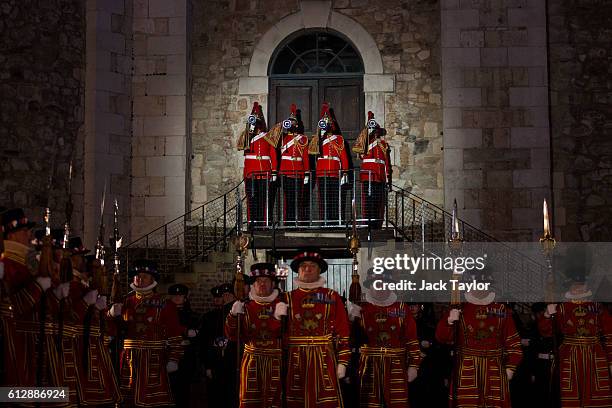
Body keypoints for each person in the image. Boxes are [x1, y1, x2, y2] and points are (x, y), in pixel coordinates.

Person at [275, 248, 350, 407]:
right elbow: (275, 334)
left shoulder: (331, 296)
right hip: (295, 361)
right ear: (298, 271)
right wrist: (276, 317)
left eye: (312, 266)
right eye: (303, 266)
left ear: (319, 270)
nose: (307, 269)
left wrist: (342, 362)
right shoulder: (286, 298)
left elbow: (343, 331)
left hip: (324, 359)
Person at [435, 270, 523, 408]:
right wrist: (449, 321)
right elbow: (442, 338)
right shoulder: (460, 308)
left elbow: (514, 344)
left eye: (484, 284)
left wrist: (510, 368)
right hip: (466, 370)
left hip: (494, 370)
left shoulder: (501, 310)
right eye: (477, 284)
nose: (480, 288)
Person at [539, 247, 612, 407]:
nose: (578, 288)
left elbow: (609, 333)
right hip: (569, 356)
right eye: (575, 284)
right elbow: (546, 332)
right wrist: (547, 315)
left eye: (581, 284)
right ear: (569, 285)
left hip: (595, 356)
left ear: (586, 285)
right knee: (571, 396)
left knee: (596, 396)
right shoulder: (563, 307)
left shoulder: (597, 306)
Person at [108, 259, 184, 407]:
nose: (139, 279)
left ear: (153, 279)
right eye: (137, 275)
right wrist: (110, 314)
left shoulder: (164, 304)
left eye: (144, 276)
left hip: (154, 359)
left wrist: (174, 359)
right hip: (129, 359)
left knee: (152, 401)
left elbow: (175, 334)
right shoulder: (125, 302)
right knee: (128, 399)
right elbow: (110, 329)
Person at [347, 268, 421, 407]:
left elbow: (411, 338)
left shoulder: (401, 308)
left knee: (396, 403)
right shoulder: (361, 308)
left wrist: (414, 365)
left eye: (384, 284)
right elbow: (348, 339)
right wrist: (350, 321)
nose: (380, 288)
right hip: (368, 365)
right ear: (370, 287)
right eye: (376, 284)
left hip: (396, 365)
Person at [0, 208, 52, 387]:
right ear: (12, 235)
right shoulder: (8, 264)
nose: (29, 236)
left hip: (31, 342)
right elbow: (13, 305)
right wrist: (38, 286)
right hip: (15, 340)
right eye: (24, 231)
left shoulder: (23, 264)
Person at [225, 263, 283, 408]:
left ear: (273, 284)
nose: (262, 284)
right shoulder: (245, 306)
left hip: (276, 360)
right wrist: (232, 315)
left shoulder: (282, 304)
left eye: (266, 281)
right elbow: (232, 335)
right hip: (252, 360)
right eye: (258, 281)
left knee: (275, 400)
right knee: (250, 400)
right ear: (253, 285)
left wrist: (281, 320)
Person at [237, 101, 278, 228]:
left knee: (263, 199)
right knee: (252, 199)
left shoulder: (268, 137)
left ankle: (263, 222)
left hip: (265, 172)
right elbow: (241, 145)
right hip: (251, 173)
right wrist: (250, 129)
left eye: (258, 120)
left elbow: (273, 154)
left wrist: (274, 171)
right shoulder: (247, 137)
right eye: (254, 120)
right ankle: (252, 222)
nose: (257, 123)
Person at [309, 103, 350, 224]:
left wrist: (345, 172)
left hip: (335, 172)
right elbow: (313, 152)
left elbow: (343, 157)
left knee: (335, 199)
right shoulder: (317, 139)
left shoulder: (339, 139)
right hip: (322, 172)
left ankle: (335, 221)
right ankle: (324, 222)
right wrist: (321, 136)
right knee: (324, 199)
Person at [353, 111, 391, 228]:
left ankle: (377, 224)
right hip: (367, 175)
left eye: (375, 129)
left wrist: (388, 177)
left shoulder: (383, 144)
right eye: (372, 128)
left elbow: (386, 163)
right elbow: (359, 152)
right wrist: (367, 131)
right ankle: (367, 223)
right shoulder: (364, 141)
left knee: (378, 202)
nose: (374, 131)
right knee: (367, 201)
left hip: (380, 176)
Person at [168, 283, 201, 408]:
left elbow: (197, 337)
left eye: (180, 295)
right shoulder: (164, 314)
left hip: (186, 355)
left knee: (184, 388)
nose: (177, 298)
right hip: (168, 353)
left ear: (185, 298)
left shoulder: (192, 316)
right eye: (174, 295)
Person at [278, 103, 310, 224]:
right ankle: (288, 222)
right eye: (289, 122)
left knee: (298, 199)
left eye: (293, 122)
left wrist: (306, 173)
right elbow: (272, 137)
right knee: (288, 200)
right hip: (286, 173)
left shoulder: (302, 139)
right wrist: (281, 126)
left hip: (298, 172)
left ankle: (298, 222)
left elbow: (305, 157)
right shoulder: (282, 137)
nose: (291, 124)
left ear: (297, 124)